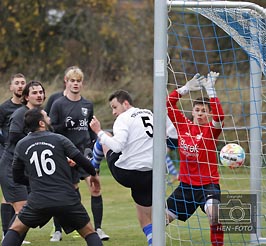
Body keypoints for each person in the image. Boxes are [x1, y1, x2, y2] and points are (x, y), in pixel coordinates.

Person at [1, 107, 103, 246]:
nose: (49, 118)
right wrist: (93, 174)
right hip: (67, 199)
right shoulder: (60, 139)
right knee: (90, 232)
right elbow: (83, 162)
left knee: (15, 229)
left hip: (38, 201)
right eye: (46, 116)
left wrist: (36, 181)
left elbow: (17, 177)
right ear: (42, 123)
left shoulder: (21, 144)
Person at [49, 66, 109, 241]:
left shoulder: (87, 104)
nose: (75, 84)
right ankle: (58, 230)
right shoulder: (58, 104)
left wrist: (93, 149)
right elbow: (52, 129)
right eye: (72, 81)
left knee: (95, 187)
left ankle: (98, 228)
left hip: (83, 153)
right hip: (65, 154)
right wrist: (65, 125)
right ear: (66, 82)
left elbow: (90, 130)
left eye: (78, 81)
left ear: (82, 83)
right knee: (64, 191)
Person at [166, 72, 225, 246]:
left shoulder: (211, 131)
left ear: (208, 115)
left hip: (208, 185)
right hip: (185, 187)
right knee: (160, 220)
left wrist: (211, 91)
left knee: (214, 216)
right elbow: (168, 104)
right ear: (192, 111)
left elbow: (220, 117)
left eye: (204, 111)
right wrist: (185, 89)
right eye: (197, 110)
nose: (200, 114)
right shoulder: (183, 124)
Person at [89, 89, 153, 246]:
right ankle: (154, 241)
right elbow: (170, 137)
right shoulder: (151, 114)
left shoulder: (123, 118)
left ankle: (93, 169)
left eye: (114, 107)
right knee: (147, 216)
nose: (113, 112)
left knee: (104, 138)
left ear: (125, 104)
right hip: (152, 174)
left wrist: (98, 131)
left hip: (127, 173)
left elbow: (116, 147)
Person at [0, 81, 46, 244]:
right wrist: (34, 141)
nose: (39, 95)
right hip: (11, 168)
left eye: (41, 92)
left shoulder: (42, 115)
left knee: (27, 213)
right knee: (23, 212)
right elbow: (13, 136)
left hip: (27, 170)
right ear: (26, 97)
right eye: (34, 92)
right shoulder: (21, 113)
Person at [0, 74, 26, 240]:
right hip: (7, 156)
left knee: (13, 197)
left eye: (23, 83)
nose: (20, 86)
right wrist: (7, 144)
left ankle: (11, 233)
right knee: (11, 198)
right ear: (11, 87)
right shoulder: (4, 108)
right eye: (16, 83)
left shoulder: (28, 108)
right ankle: (8, 234)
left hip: (24, 157)